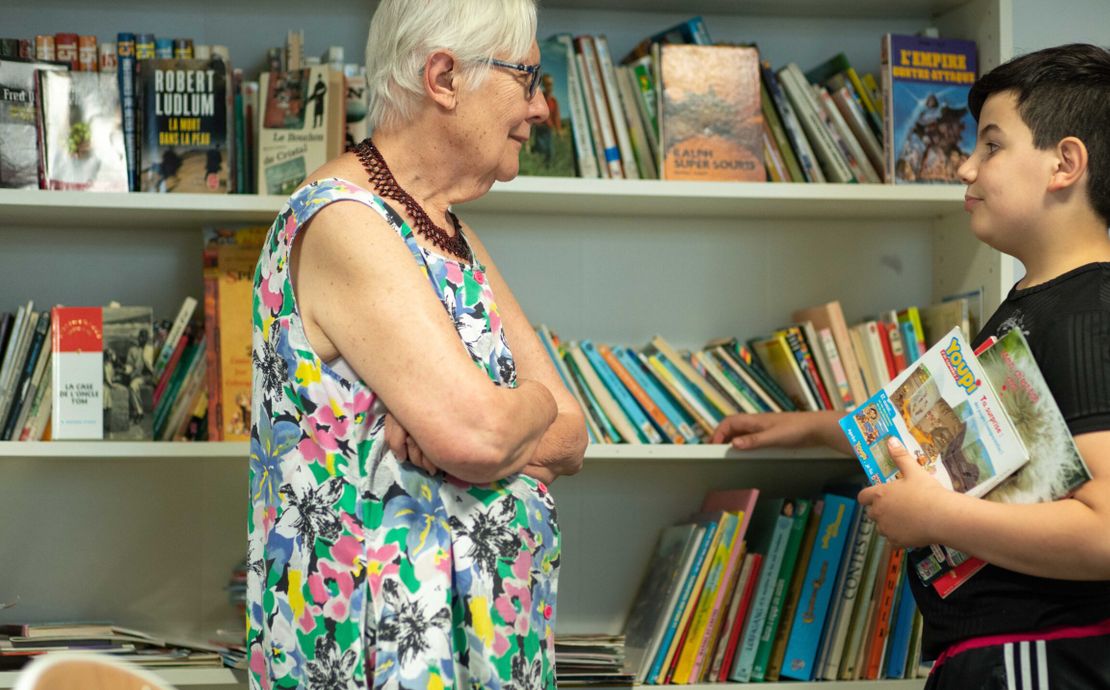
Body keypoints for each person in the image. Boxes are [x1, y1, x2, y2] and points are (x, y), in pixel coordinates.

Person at [713, 43, 1110, 688]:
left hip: (1038, 655)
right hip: (997, 654)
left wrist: (937, 520)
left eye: (991, 146)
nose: (963, 167)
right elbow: (982, 450)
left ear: (1065, 163)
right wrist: (821, 427)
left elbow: (1104, 534)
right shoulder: (1044, 304)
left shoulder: (1089, 314)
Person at [247, 1, 587, 689]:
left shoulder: (442, 227)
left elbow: (574, 432)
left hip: (483, 649)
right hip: (377, 654)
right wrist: (496, 424)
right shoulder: (345, 218)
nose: (541, 107)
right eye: (527, 77)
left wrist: (502, 418)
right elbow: (481, 439)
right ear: (443, 77)